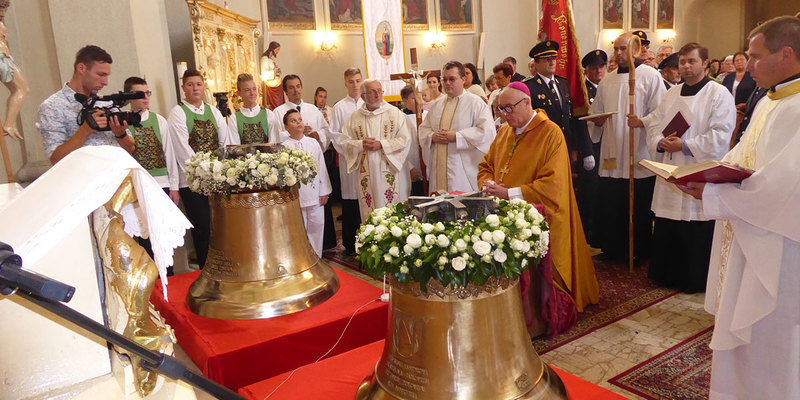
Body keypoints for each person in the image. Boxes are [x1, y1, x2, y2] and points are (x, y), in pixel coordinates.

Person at [676, 16, 800, 400]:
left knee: (773, 337)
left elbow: (783, 188)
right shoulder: (772, 99)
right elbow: (742, 153)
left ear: (788, 54)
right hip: (751, 233)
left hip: (780, 246)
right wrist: (704, 174)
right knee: (746, 337)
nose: (747, 65)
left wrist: (713, 195)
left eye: (755, 56)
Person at [478, 82, 599, 312]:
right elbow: (486, 165)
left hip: (542, 214)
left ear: (526, 103)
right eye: (500, 109)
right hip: (506, 214)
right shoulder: (504, 132)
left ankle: (541, 308)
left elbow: (553, 184)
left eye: (509, 109)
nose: (504, 116)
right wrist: (488, 183)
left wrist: (510, 193)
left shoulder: (550, 132)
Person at [629, 42, 736, 293]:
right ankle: (665, 275)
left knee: (694, 225)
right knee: (668, 223)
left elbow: (722, 134)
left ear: (705, 63)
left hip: (698, 167)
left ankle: (693, 279)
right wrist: (659, 142)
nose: (686, 66)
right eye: (682, 62)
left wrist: (686, 145)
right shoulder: (672, 93)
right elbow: (654, 124)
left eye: (692, 61)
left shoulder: (717, 94)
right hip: (670, 166)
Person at [585, 32, 666, 263]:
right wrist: (596, 121)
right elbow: (596, 112)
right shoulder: (608, 80)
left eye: (624, 48)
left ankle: (637, 250)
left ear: (636, 50)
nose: (619, 53)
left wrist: (642, 121)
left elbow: (660, 111)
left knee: (636, 203)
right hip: (612, 150)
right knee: (612, 202)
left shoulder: (649, 76)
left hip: (636, 148)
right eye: (617, 49)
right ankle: (612, 248)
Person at [166, 68, 231, 269]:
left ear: (204, 87)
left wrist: (218, 168)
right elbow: (182, 148)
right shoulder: (178, 113)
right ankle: (206, 269)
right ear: (184, 88)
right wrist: (205, 170)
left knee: (221, 226)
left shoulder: (213, 111)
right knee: (203, 227)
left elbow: (224, 140)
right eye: (190, 84)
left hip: (217, 178)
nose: (195, 88)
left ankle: (223, 266)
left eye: (198, 84)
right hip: (192, 181)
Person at [39, 45, 134, 164]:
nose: (105, 82)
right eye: (100, 75)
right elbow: (56, 158)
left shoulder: (107, 103)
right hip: (84, 178)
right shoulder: (53, 106)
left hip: (117, 175)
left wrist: (121, 134)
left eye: (107, 76)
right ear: (81, 68)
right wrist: (85, 130)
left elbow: (131, 149)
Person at [339, 80, 412, 221]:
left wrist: (382, 144)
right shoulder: (355, 117)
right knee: (370, 211)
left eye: (380, 90)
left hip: (391, 169)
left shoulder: (395, 114)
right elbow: (344, 142)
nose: (378, 94)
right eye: (373, 91)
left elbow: (405, 140)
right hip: (366, 173)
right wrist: (361, 144)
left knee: (394, 215)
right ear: (363, 96)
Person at [419, 61, 495, 193]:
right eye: (445, 79)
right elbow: (424, 129)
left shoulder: (475, 102)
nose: (447, 83)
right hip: (439, 170)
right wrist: (432, 137)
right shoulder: (437, 104)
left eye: (452, 79)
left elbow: (487, 133)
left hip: (462, 171)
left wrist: (457, 137)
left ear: (463, 79)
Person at [524, 40, 593, 171]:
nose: (552, 63)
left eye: (554, 59)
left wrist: (574, 148)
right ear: (536, 64)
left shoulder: (562, 83)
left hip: (565, 145)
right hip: (544, 147)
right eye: (547, 60)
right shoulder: (530, 87)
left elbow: (570, 118)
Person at [282, 109, 331, 256]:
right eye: (293, 121)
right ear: (286, 127)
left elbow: (321, 167)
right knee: (298, 228)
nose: (298, 123)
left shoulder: (313, 143)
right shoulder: (284, 147)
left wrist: (324, 191)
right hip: (296, 196)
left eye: (300, 120)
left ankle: (316, 257)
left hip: (315, 194)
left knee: (317, 226)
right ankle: (301, 259)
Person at [329, 67, 364, 255]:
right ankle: (351, 243)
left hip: (369, 158)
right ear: (345, 83)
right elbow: (335, 134)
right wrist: (353, 147)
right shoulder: (339, 107)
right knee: (351, 199)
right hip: (349, 159)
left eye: (358, 80)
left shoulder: (369, 103)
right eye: (351, 81)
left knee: (366, 198)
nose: (355, 85)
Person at [580, 49, 608, 245]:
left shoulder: (609, 88)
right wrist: (586, 151)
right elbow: (580, 123)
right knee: (591, 191)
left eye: (601, 67)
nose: (598, 71)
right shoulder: (583, 92)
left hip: (610, 146)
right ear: (587, 71)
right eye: (593, 68)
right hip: (591, 147)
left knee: (606, 191)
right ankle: (588, 230)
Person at [312, 85, 338, 250]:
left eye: (325, 96)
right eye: (320, 96)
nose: (323, 99)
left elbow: (328, 131)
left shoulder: (330, 111)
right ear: (315, 97)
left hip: (327, 150)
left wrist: (319, 135)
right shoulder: (312, 110)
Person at [273, 74, 330, 149]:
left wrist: (318, 135)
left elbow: (326, 130)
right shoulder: (278, 112)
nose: (296, 90)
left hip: (312, 153)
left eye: (298, 86)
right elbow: (275, 136)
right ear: (286, 91)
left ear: (301, 88)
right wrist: (296, 132)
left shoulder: (313, 109)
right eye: (291, 88)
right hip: (290, 155)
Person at [227, 73, 279, 144]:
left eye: (254, 89)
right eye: (247, 90)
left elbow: (274, 143)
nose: (252, 93)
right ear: (239, 93)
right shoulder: (234, 119)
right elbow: (235, 147)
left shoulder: (268, 114)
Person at [0, 18, 28, 140]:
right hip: (2, 58)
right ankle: (9, 124)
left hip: (5, 57)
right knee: (22, 89)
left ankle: (10, 122)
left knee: (18, 89)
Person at [400, 84, 426, 196]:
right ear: (405, 101)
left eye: (420, 96)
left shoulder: (429, 115)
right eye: (413, 98)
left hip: (428, 167)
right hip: (410, 167)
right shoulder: (400, 118)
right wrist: (409, 167)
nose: (418, 101)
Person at [260, 41, 284, 109]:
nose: (278, 51)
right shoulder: (265, 59)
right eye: (277, 49)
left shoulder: (271, 59)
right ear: (273, 49)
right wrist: (274, 71)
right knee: (275, 106)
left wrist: (277, 71)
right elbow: (264, 74)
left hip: (277, 86)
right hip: (271, 88)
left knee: (279, 106)